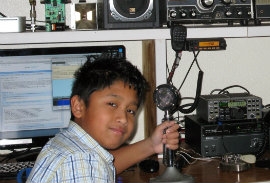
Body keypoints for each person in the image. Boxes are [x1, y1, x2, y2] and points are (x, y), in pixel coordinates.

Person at [27, 56, 180, 183]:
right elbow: (91, 166)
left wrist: (151, 145)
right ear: (78, 106)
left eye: (130, 110)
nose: (123, 119)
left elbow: (107, 166)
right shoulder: (82, 161)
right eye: (112, 104)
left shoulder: (69, 145)